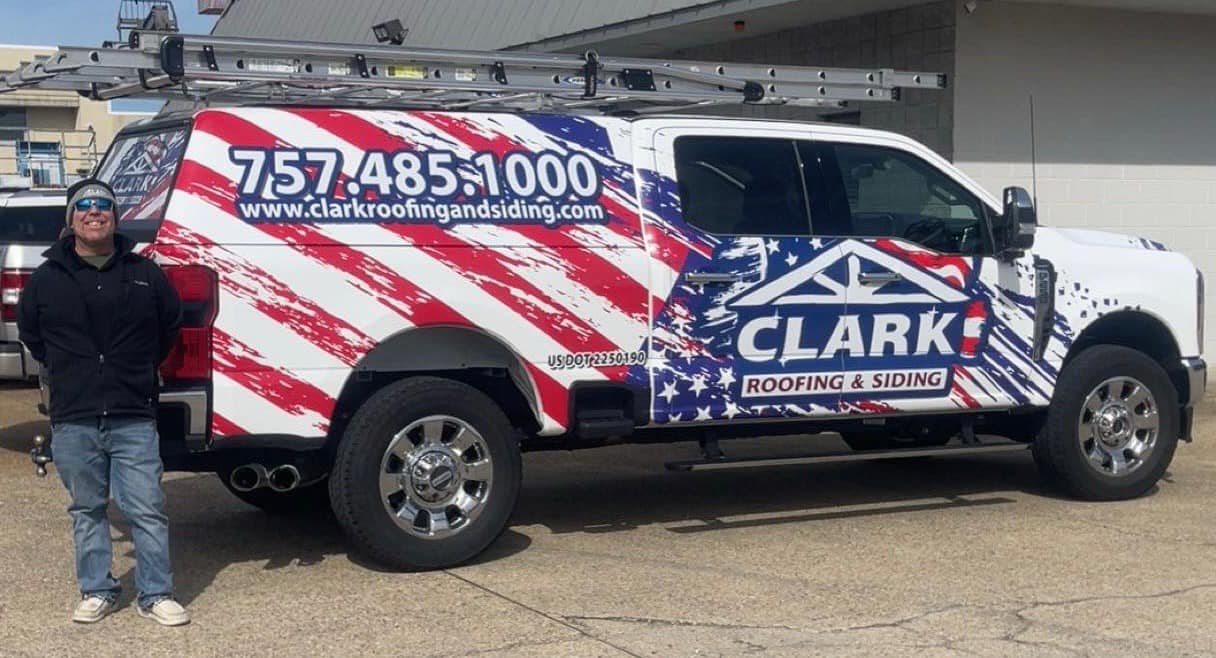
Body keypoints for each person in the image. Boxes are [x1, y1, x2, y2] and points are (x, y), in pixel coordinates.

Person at [17, 178, 188, 626]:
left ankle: (156, 593)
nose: (94, 212)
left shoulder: (144, 272)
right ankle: (97, 589)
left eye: (103, 205)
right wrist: (71, 368)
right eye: (84, 206)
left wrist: (135, 367)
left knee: (146, 508)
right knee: (87, 509)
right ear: (71, 219)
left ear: (115, 216)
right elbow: (33, 334)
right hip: (74, 415)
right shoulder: (46, 278)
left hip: (133, 412)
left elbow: (169, 325)